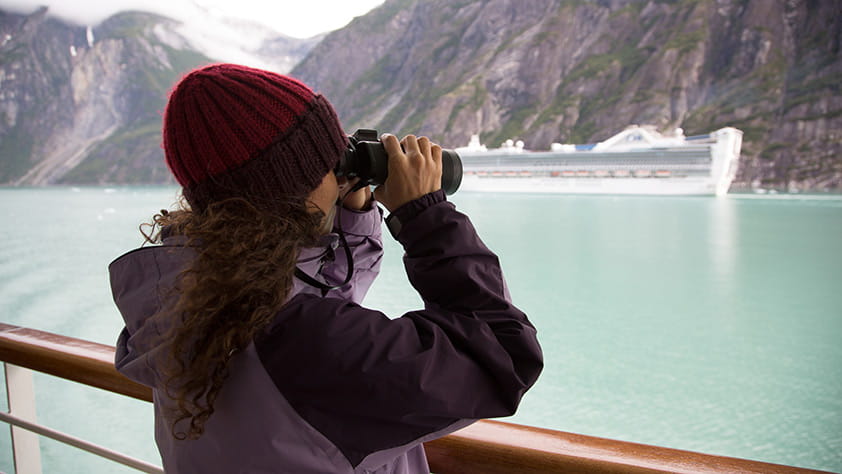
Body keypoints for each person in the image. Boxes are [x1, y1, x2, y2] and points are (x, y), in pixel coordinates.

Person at [109, 63, 543, 473]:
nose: (341, 178)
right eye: (329, 166)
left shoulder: (193, 304)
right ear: (289, 195)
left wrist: (351, 214)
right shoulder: (304, 341)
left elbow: (308, 307)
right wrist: (425, 217)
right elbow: (502, 355)